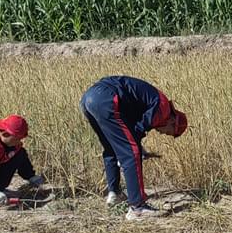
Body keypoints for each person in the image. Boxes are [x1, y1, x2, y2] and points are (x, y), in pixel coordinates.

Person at [80, 76, 187, 221]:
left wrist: (133, 147)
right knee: (131, 153)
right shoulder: (163, 110)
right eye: (168, 131)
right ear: (173, 121)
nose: (162, 133)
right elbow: (135, 133)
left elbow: (130, 130)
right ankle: (138, 208)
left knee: (112, 147)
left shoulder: (155, 104)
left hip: (89, 98)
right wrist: (134, 152)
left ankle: (115, 194)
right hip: (107, 99)